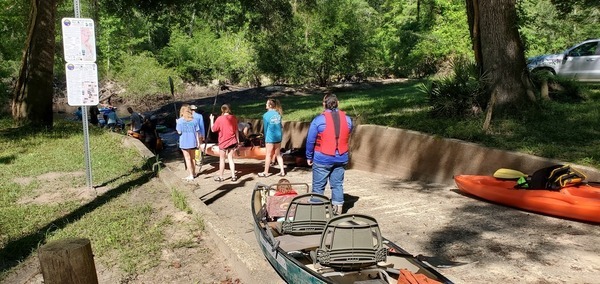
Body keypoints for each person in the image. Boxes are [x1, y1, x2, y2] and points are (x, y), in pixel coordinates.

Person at [305, 93, 353, 215]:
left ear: (323, 104)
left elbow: (310, 140)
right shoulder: (348, 119)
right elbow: (348, 133)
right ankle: (338, 211)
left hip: (322, 158)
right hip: (341, 157)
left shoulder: (318, 120)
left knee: (318, 186)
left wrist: (309, 156)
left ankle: (316, 213)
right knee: (337, 184)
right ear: (338, 103)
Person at [210, 104, 239, 182]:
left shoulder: (219, 119)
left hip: (223, 142)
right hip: (232, 141)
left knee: (222, 159)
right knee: (230, 158)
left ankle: (221, 176)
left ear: (222, 110)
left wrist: (211, 120)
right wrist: (238, 141)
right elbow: (236, 130)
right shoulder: (233, 118)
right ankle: (233, 176)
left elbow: (213, 129)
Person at [258, 99, 285, 177]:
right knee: (278, 154)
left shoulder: (266, 115)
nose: (265, 105)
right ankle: (282, 171)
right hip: (278, 137)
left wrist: (265, 137)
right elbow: (280, 126)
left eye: (266, 103)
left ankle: (266, 172)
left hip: (270, 137)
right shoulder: (278, 114)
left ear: (270, 105)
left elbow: (266, 128)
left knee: (268, 155)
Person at [176, 104, 201, 181]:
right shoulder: (194, 120)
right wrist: (198, 142)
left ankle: (190, 175)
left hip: (184, 142)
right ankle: (193, 173)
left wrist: (177, 123)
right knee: (193, 158)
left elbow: (179, 132)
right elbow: (197, 132)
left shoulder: (180, 121)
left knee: (187, 159)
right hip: (193, 141)